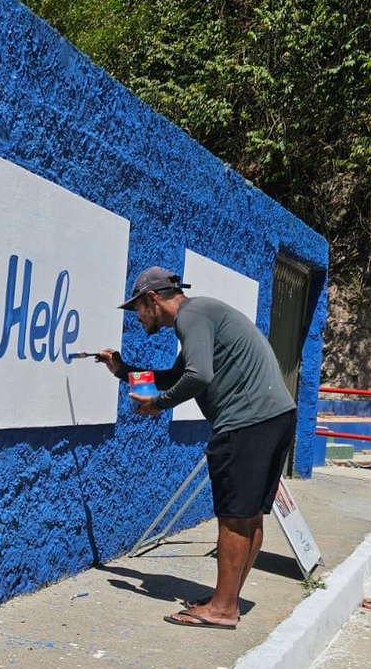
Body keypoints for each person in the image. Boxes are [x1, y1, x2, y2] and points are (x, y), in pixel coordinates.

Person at [96, 266, 296, 629]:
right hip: (275, 417)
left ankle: (222, 609)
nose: (136, 316)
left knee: (234, 516)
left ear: (153, 299)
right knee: (250, 515)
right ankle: (227, 599)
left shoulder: (192, 316)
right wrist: (124, 370)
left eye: (137, 308)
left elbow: (198, 376)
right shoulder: (202, 313)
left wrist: (157, 404)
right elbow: (177, 375)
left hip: (247, 422)